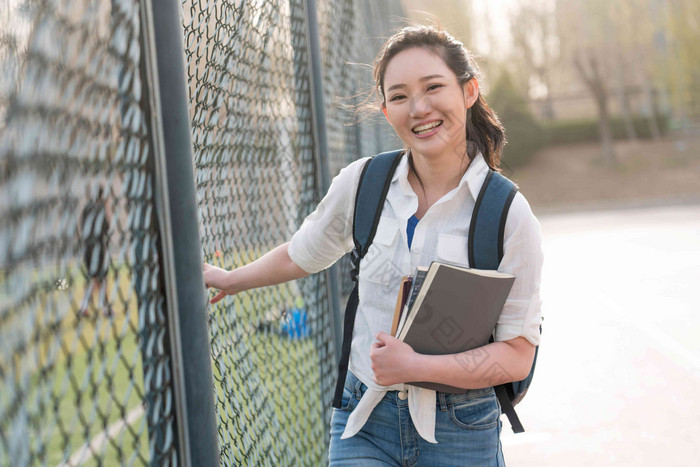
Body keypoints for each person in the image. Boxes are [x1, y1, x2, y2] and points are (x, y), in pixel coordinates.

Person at [204, 25, 543, 466]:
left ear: (469, 91)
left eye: (433, 87)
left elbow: (517, 355)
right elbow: (301, 252)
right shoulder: (364, 183)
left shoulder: (508, 215)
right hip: (363, 420)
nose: (419, 108)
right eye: (399, 96)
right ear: (386, 111)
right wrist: (232, 278)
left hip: (461, 429)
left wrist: (417, 368)